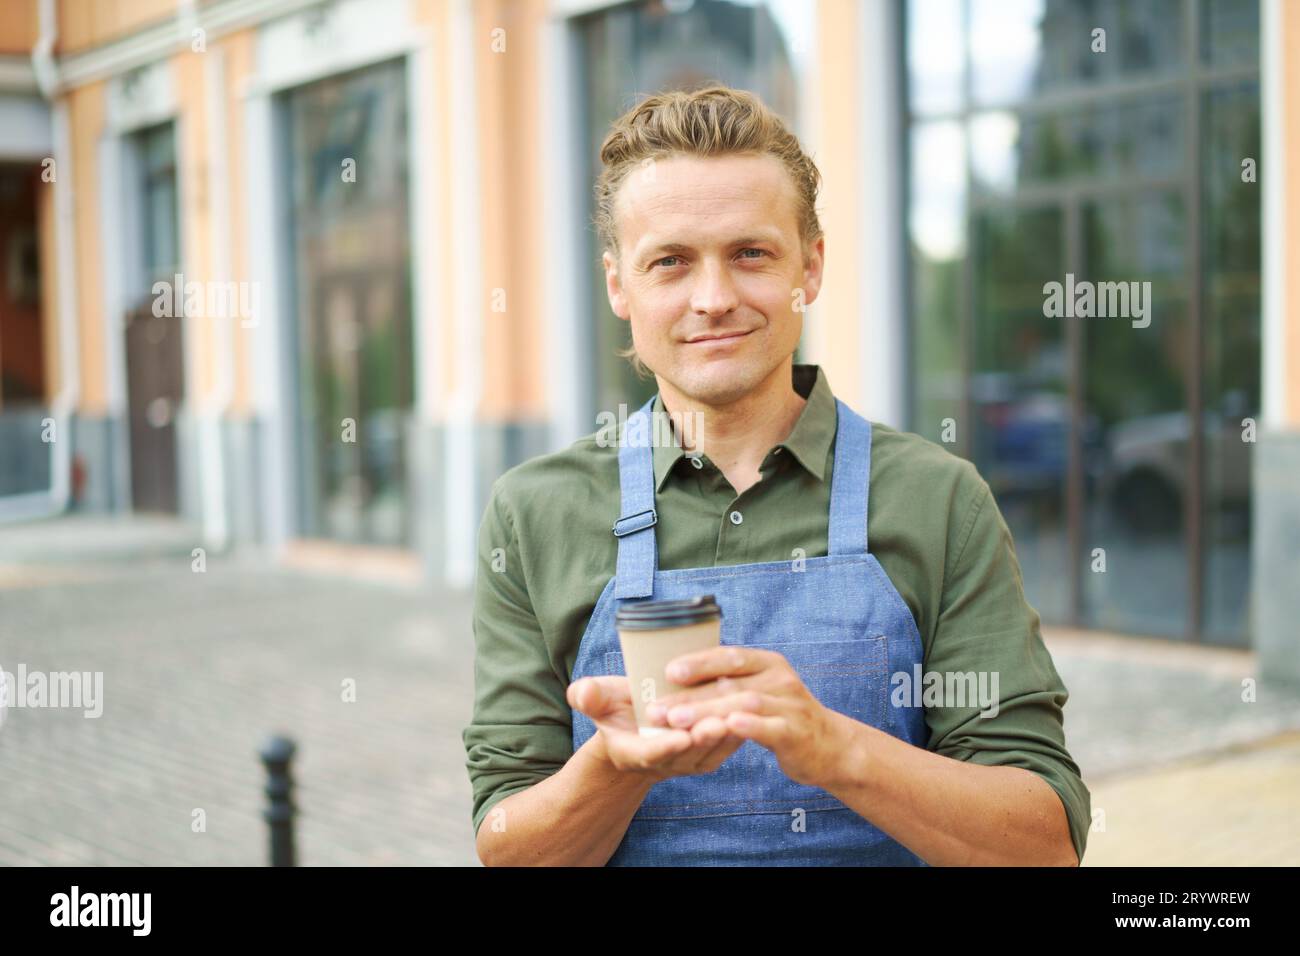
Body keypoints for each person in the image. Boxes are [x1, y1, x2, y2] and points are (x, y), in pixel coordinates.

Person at [463, 85, 1089, 866]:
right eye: (671, 262)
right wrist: (614, 768)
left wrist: (834, 748)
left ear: (811, 266)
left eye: (750, 254)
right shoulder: (534, 514)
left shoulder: (939, 500)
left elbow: (1044, 846)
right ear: (621, 285)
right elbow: (508, 848)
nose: (715, 298)